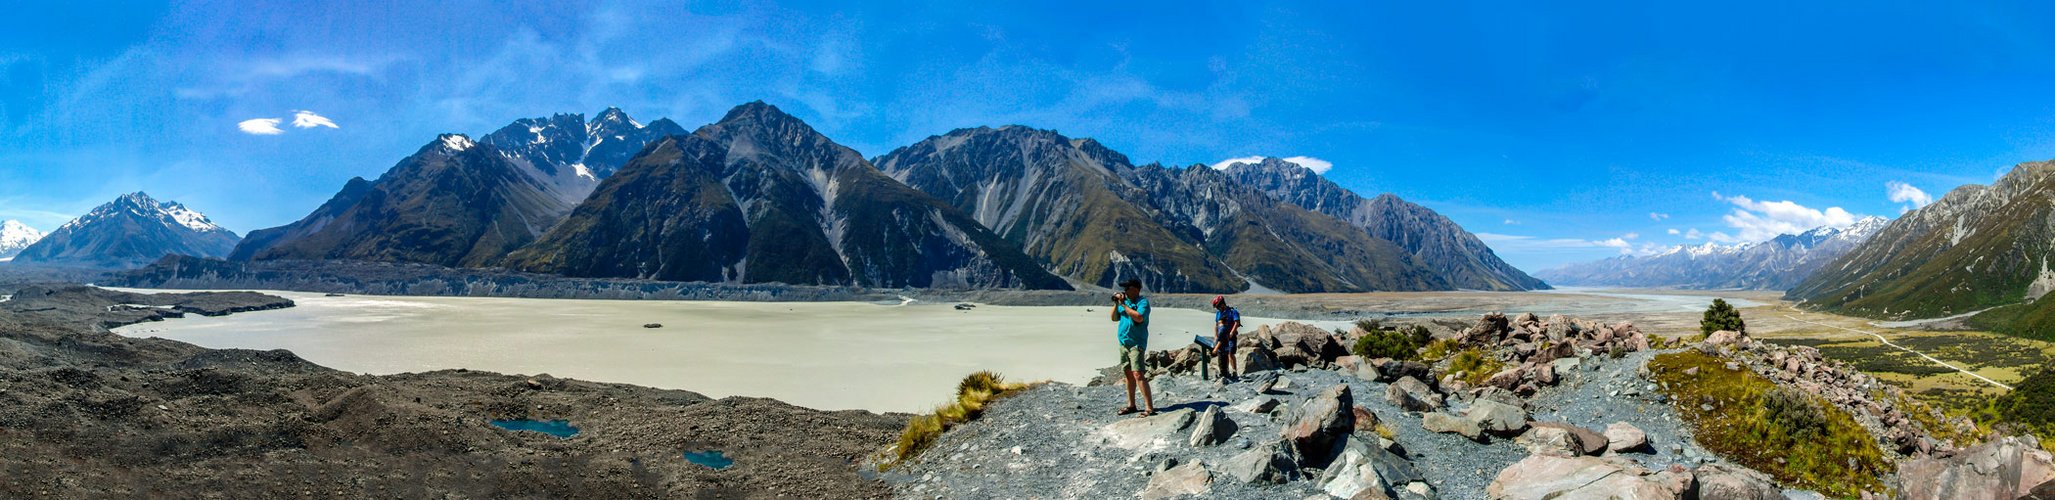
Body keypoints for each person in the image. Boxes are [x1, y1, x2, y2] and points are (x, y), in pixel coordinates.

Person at [1109, 278, 1155, 417]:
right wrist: (1117, 304)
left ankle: (1149, 408)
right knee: (1128, 375)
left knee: (1138, 374)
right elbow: (1113, 318)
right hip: (1124, 343)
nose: (1125, 291)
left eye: (1128, 288)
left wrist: (1123, 304)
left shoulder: (1143, 303)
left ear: (1136, 289)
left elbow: (1139, 317)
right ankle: (1132, 405)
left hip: (1136, 344)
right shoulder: (1124, 302)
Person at [1212, 295, 1241, 381]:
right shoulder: (1218, 313)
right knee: (1223, 354)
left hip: (1231, 336)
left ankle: (1235, 371)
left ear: (1222, 304)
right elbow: (1216, 325)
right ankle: (1226, 371)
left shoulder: (1233, 311)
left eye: (1218, 306)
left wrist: (1232, 332)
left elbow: (1236, 322)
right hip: (1222, 336)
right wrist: (1215, 336)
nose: (1217, 308)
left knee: (1230, 353)